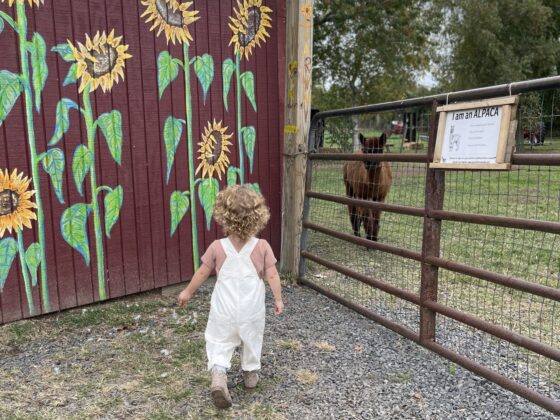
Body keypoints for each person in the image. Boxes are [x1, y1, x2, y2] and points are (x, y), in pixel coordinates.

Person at [178, 185, 284, 409]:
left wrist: (187, 292)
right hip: (251, 310)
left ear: (223, 216)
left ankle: (218, 373)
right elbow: (272, 275)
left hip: (223, 310)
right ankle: (250, 373)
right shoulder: (262, 247)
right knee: (252, 337)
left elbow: (202, 272)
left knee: (220, 340)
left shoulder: (217, 247)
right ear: (258, 216)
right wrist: (278, 299)